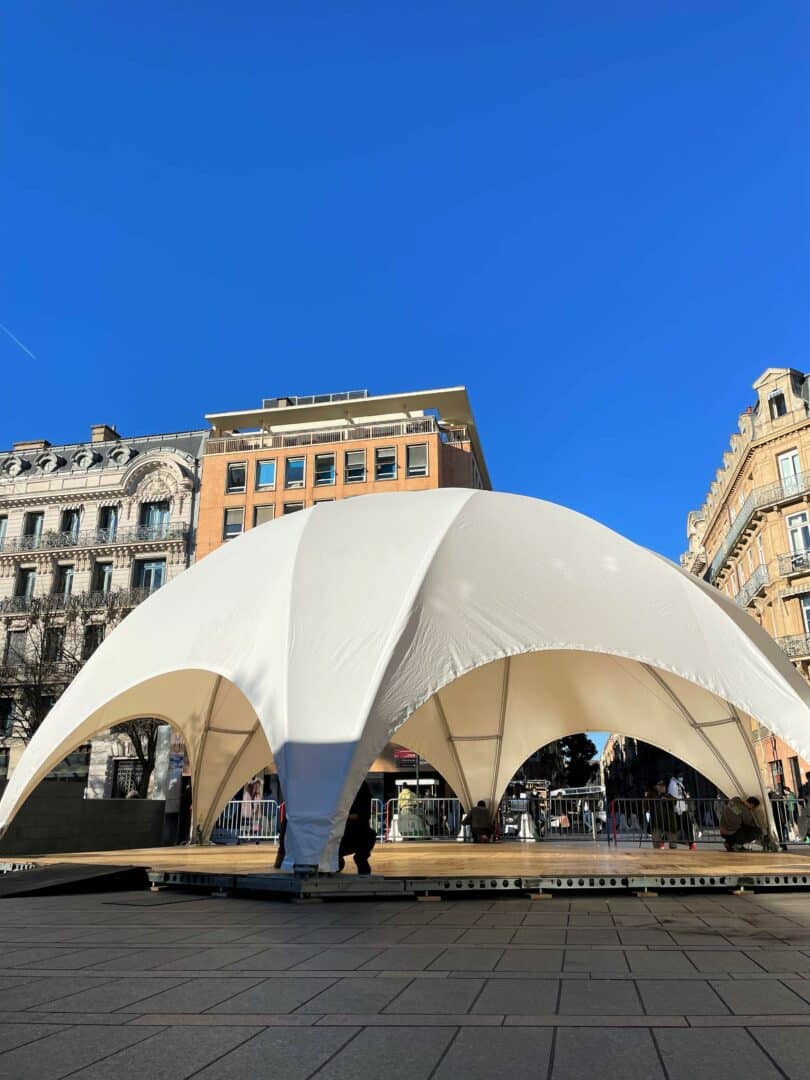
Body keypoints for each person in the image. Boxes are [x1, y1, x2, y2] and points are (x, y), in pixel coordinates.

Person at [338, 780, 376, 875]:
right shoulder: (355, 785)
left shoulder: (360, 786)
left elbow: (361, 814)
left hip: (358, 834)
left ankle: (361, 862)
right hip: (349, 833)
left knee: (360, 858)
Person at [667, 773, 697, 850]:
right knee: (677, 827)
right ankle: (668, 841)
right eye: (680, 776)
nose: (682, 777)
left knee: (686, 826)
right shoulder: (673, 784)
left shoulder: (679, 783)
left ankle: (691, 843)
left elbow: (681, 795)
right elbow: (675, 797)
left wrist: (686, 796)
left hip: (682, 808)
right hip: (678, 809)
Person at [652, 779, 678, 849]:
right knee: (656, 843)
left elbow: (675, 801)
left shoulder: (668, 795)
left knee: (673, 845)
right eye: (660, 785)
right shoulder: (654, 796)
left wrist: (667, 799)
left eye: (663, 785)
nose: (662, 787)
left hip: (669, 821)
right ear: (656, 787)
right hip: (658, 822)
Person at [797, 771, 810, 843]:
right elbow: (800, 800)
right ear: (808, 778)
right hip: (807, 810)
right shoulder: (803, 788)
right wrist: (805, 799)